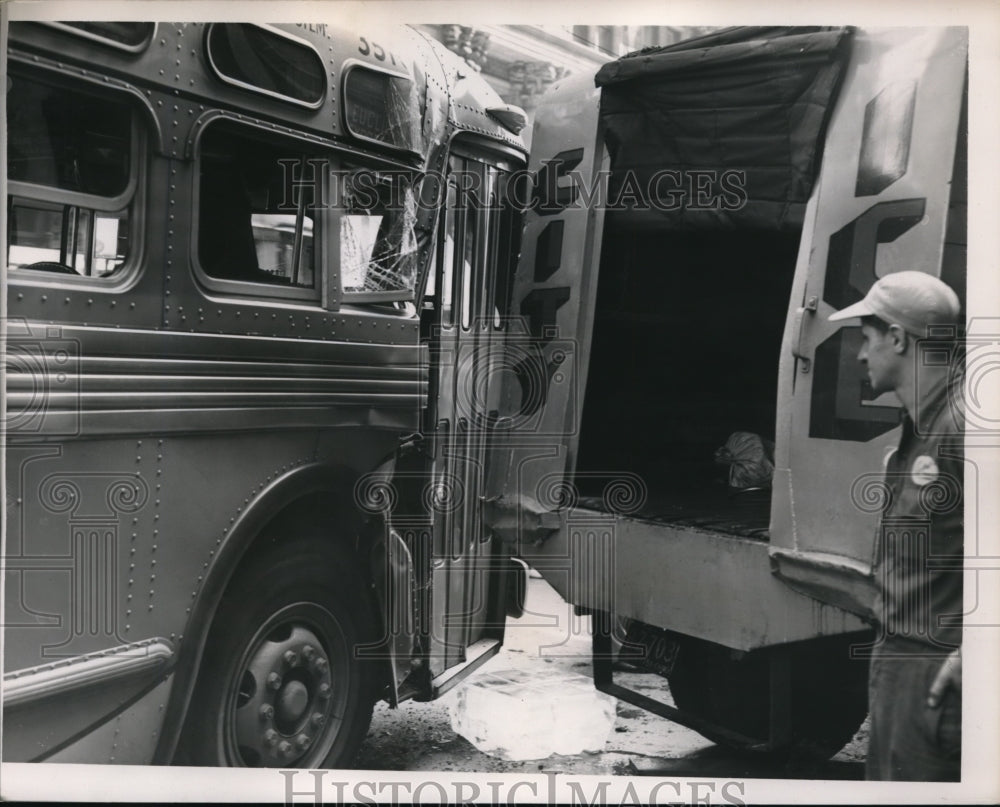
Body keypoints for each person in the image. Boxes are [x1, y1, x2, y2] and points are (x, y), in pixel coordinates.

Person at [828, 270, 964, 781]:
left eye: (866, 339)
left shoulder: (962, 427)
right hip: (903, 660)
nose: (861, 356)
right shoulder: (922, 426)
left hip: (935, 673)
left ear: (899, 338)